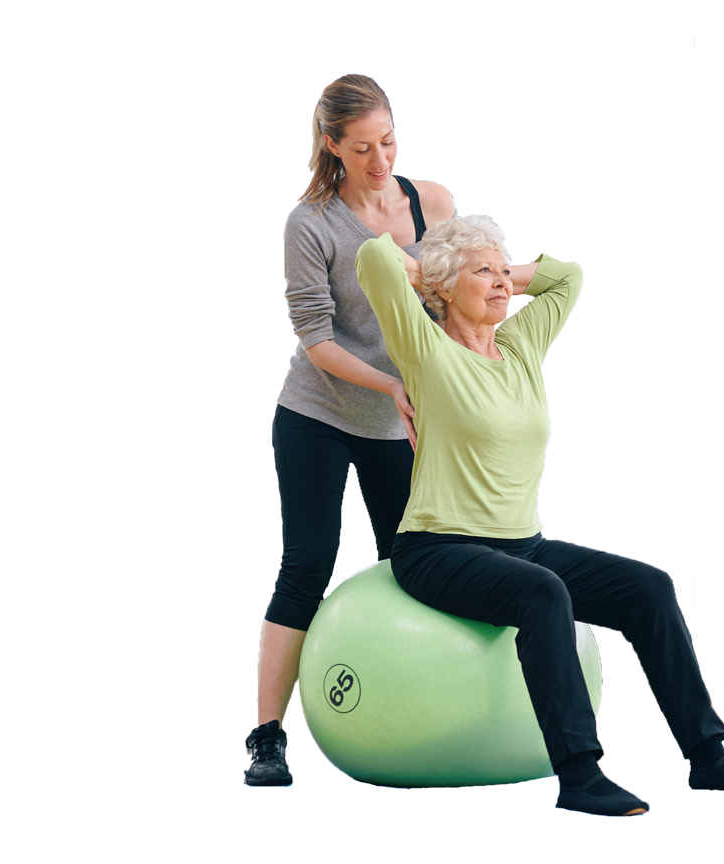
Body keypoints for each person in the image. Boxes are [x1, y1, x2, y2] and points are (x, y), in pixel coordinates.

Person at [354, 216, 724, 816]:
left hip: (523, 543)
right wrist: (444, 268)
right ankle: (580, 774)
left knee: (649, 588)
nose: (504, 284)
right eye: (486, 273)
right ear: (445, 287)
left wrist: (494, 269)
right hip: (436, 548)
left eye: (507, 273)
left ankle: (708, 757)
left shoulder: (522, 345)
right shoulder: (424, 348)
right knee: (542, 594)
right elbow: (374, 260)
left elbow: (566, 278)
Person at [244, 74, 455, 787]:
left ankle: (423, 710)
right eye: (361, 147)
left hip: (401, 425)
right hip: (319, 416)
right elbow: (315, 338)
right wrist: (393, 383)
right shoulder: (310, 223)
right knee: (308, 564)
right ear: (331, 145)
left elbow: (453, 308)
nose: (380, 159)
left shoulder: (432, 204)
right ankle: (266, 737)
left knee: (415, 565)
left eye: (389, 141)